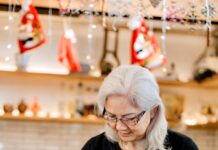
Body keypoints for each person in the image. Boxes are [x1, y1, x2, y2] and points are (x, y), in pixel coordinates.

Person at [82, 65, 198, 150]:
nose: (119, 126)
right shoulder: (95, 147)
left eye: (129, 118)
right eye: (111, 116)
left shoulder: (183, 147)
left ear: (153, 111)